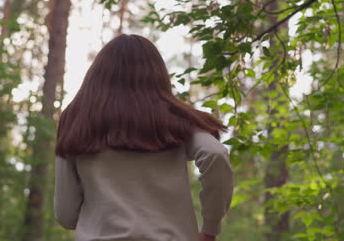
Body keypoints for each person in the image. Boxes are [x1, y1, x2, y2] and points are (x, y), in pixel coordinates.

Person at [54, 34, 234, 241]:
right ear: (158, 75)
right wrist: (210, 228)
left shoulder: (76, 118)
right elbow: (215, 153)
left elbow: (66, 215)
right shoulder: (176, 118)